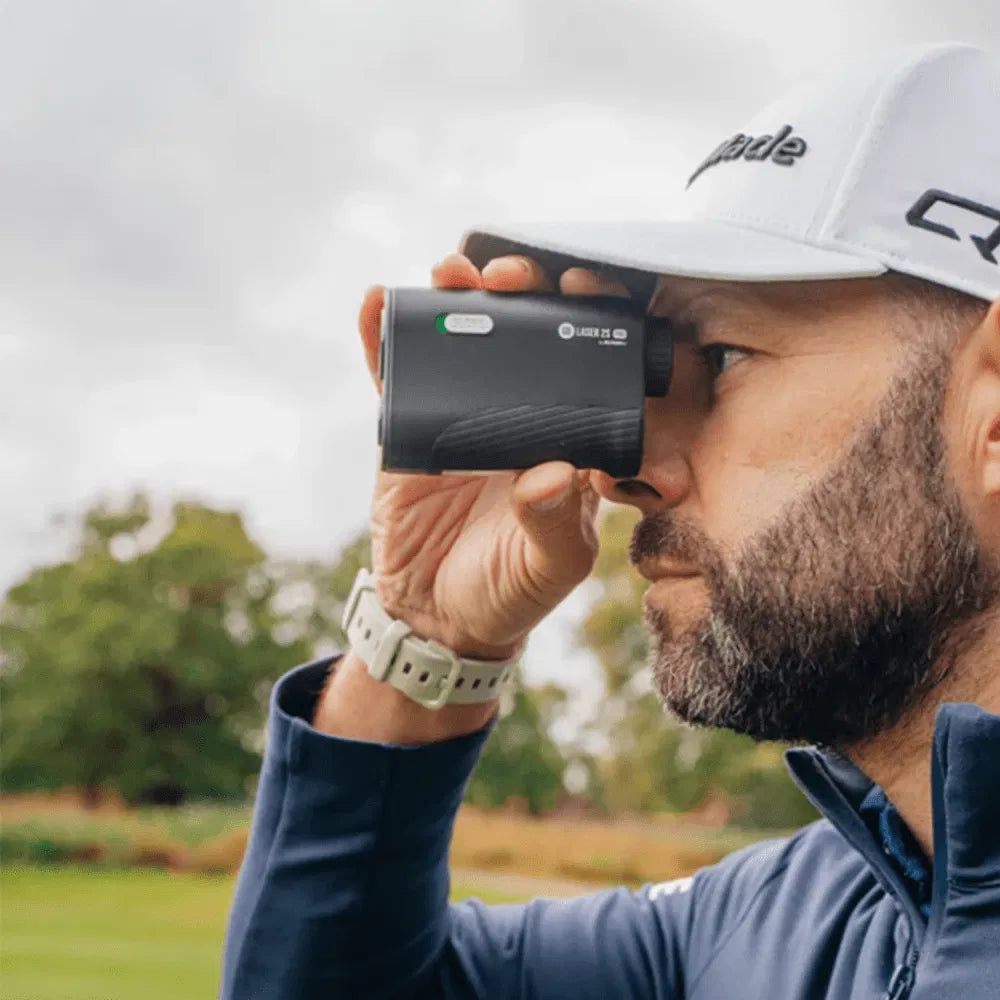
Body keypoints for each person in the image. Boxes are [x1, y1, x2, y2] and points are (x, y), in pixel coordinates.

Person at [220, 43, 1000, 999]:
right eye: (646, 370)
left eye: (720, 357)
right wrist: (425, 635)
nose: (624, 473)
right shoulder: (769, 927)